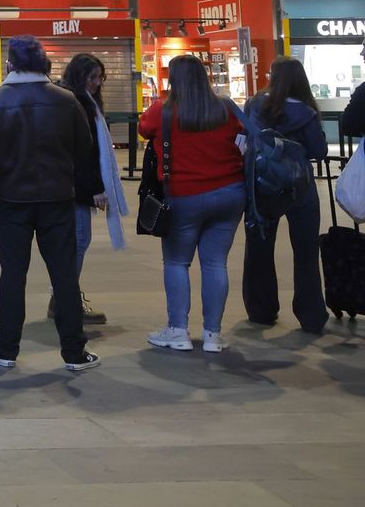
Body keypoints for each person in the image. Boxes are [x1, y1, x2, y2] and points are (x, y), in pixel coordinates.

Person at [0, 35, 100, 372]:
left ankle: (6, 349)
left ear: (10, 64)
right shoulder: (66, 100)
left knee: (13, 275)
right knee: (64, 276)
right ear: (44, 63)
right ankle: (74, 352)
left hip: (12, 200)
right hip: (58, 199)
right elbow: (84, 151)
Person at [137, 54, 246, 353]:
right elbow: (243, 134)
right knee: (215, 262)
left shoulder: (162, 110)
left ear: (173, 80)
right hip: (230, 193)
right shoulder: (226, 108)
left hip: (183, 196)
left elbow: (144, 129)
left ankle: (178, 331)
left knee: (177, 262)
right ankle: (212, 335)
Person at [242, 56, 328, 334]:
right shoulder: (307, 112)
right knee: (306, 251)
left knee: (259, 247)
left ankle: (261, 310)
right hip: (300, 184)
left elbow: (245, 139)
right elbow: (319, 151)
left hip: (262, 185)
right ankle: (311, 314)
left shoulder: (256, 106)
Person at [55, 54, 126, 325]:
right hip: (76, 187)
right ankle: (67, 303)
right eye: (92, 77)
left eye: (100, 77)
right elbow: (84, 152)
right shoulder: (79, 103)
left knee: (74, 242)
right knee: (78, 241)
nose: (97, 83)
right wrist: (96, 188)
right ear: (79, 76)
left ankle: (61, 300)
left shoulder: (79, 101)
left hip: (70, 184)